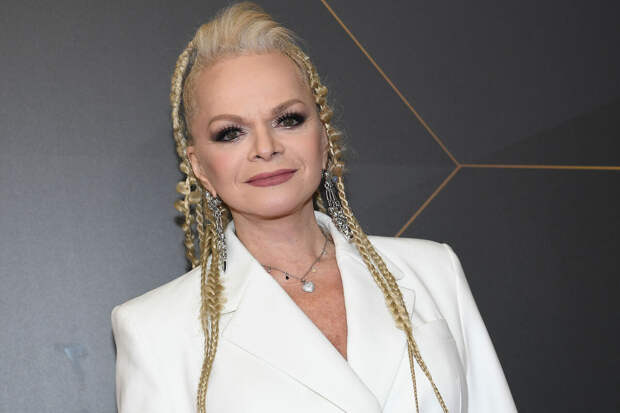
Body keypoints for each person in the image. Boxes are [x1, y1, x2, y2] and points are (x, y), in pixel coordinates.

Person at [111, 2, 517, 412]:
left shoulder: (433, 272)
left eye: (287, 119)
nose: (266, 148)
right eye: (231, 132)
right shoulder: (155, 329)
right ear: (199, 166)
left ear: (324, 138)